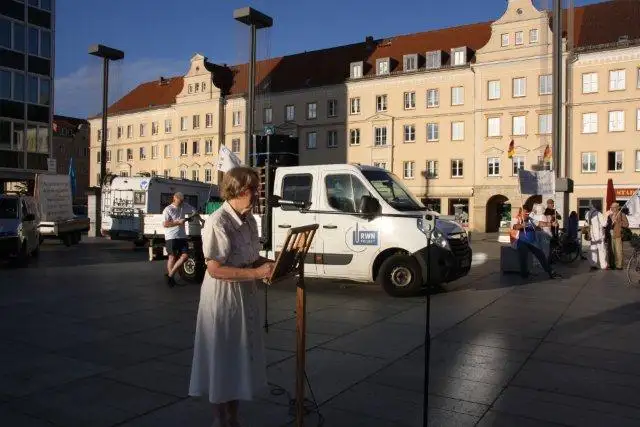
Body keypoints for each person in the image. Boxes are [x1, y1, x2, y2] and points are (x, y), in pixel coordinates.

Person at [189, 166, 275, 427]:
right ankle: (219, 419)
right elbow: (214, 268)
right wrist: (257, 273)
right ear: (239, 190)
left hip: (244, 295)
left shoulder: (249, 220)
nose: (258, 195)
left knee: (238, 356)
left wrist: (272, 263)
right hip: (223, 298)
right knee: (221, 357)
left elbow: (252, 258)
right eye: (254, 190)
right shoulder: (219, 222)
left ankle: (234, 418)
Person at [512, 206, 560, 280]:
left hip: (531, 242)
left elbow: (540, 224)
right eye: (525, 212)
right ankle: (524, 275)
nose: (527, 214)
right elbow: (515, 226)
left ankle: (550, 272)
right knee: (523, 257)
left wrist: (551, 224)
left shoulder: (531, 220)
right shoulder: (516, 219)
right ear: (520, 212)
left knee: (541, 255)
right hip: (521, 241)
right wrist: (521, 225)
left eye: (528, 213)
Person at [162, 192, 196, 287]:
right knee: (172, 257)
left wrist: (191, 217)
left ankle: (170, 275)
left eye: (182, 200)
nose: (181, 202)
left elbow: (194, 210)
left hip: (182, 236)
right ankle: (171, 280)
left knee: (185, 256)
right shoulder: (168, 209)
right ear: (174, 198)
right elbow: (165, 224)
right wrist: (177, 222)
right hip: (171, 236)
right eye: (179, 200)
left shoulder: (184, 206)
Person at [585, 204, 607, 270]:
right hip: (599, 235)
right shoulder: (599, 214)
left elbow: (586, 224)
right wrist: (607, 219)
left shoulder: (588, 214)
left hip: (592, 235)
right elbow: (604, 224)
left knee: (593, 250)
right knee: (601, 250)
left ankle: (593, 264)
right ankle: (603, 265)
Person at [609, 202, 629, 270]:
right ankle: (613, 264)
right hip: (611, 235)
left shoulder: (621, 214)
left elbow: (626, 224)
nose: (612, 208)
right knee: (613, 251)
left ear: (617, 208)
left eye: (614, 207)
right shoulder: (610, 215)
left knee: (619, 251)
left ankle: (619, 265)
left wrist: (618, 222)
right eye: (611, 207)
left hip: (618, 235)